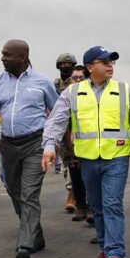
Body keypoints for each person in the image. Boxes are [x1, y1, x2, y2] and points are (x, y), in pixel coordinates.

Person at [42, 46, 130, 258]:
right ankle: (105, 249)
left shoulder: (125, 91)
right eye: (104, 62)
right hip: (87, 160)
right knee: (97, 206)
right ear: (89, 67)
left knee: (112, 203)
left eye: (112, 62)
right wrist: (49, 146)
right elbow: (56, 121)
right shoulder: (72, 93)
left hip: (116, 158)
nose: (110, 66)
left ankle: (115, 255)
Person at [0, 40, 58, 258]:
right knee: (14, 192)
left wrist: (58, 141)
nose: (2, 58)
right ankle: (36, 235)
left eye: (7, 55)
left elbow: (57, 110)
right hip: (8, 145)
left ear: (22, 57)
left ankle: (24, 244)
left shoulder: (42, 82)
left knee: (29, 192)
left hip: (35, 143)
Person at [64, 65, 92, 223]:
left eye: (81, 78)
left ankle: (92, 208)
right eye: (75, 78)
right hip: (71, 142)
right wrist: (69, 146)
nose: (78, 80)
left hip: (90, 143)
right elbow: (63, 123)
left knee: (89, 177)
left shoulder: (92, 96)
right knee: (75, 176)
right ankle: (81, 206)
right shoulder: (66, 97)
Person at [54, 53, 78, 212]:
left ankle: (75, 194)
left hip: (77, 127)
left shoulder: (78, 83)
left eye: (68, 64)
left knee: (78, 161)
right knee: (67, 162)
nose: (65, 67)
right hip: (61, 128)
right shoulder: (54, 85)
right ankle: (72, 193)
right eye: (62, 65)